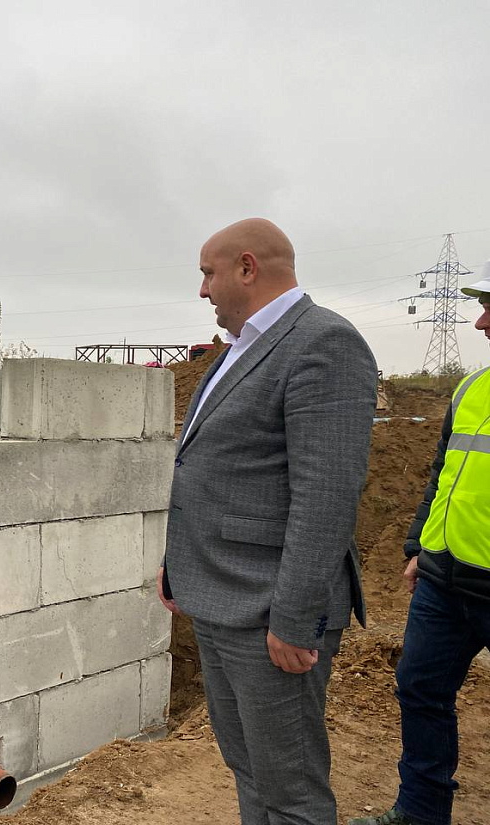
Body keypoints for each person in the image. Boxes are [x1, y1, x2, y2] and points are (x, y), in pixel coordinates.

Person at [160, 218, 377, 824]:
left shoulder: (324, 343)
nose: (203, 289)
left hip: (269, 612)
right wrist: (177, 566)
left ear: (247, 267)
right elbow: (216, 469)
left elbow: (326, 496)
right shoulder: (240, 348)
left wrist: (295, 620)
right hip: (218, 597)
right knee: (249, 769)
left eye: (208, 273)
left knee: (290, 790)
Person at [349, 264, 490, 825]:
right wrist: (417, 546)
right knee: (420, 690)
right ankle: (421, 813)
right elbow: (442, 475)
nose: (481, 323)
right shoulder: (472, 388)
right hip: (444, 579)